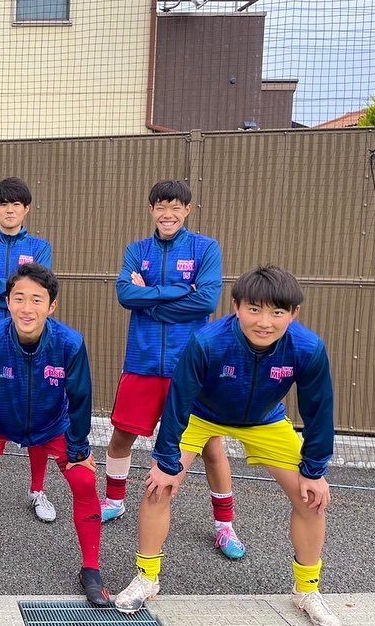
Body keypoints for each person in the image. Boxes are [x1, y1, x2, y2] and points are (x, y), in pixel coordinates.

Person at [114, 266, 340, 626]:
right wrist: (166, 462)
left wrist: (315, 471)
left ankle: (308, 590)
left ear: (294, 314)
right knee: (159, 487)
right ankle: (146, 577)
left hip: (265, 421)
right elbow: (179, 402)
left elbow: (319, 411)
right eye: (254, 309)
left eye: (277, 312)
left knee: (311, 497)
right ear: (236, 307)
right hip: (202, 415)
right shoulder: (208, 341)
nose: (264, 322)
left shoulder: (308, 348)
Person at [0, 263, 109, 605]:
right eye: (19, 298)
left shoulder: (70, 343)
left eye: (36, 300)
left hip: (52, 423)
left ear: (52, 306)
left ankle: (91, 569)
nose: (27, 308)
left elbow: (80, 398)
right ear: (7, 302)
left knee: (85, 481)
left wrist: (79, 448)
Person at [101, 180, 245, 559]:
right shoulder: (137, 251)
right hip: (142, 361)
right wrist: (180, 290)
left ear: (187, 210)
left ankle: (225, 526)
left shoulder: (205, 248)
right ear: (151, 210)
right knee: (122, 435)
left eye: (175, 207)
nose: (168, 214)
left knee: (210, 445)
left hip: (192, 367)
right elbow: (125, 294)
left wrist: (148, 298)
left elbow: (207, 301)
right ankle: (114, 500)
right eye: (161, 207)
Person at [0, 177, 56, 522]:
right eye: (3, 204)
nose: (10, 210)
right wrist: (17, 286)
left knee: (37, 417)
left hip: (29, 347)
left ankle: (38, 490)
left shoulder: (41, 247)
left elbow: (39, 289)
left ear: (26, 209)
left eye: (16, 204)